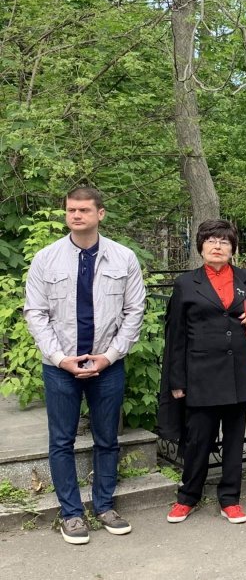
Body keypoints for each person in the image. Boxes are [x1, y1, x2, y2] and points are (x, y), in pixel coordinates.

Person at [24, 186, 145, 545]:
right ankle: (72, 514)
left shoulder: (123, 258)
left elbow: (134, 311)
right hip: (61, 368)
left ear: (100, 214)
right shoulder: (46, 259)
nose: (76, 215)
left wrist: (109, 355)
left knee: (107, 439)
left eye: (84, 210)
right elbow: (35, 313)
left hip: (107, 366)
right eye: (71, 210)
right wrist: (61, 359)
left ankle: (105, 506)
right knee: (61, 441)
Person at [158, 220, 246, 525]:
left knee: (234, 441)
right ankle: (187, 497)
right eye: (211, 241)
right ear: (201, 246)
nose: (217, 246)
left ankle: (230, 498)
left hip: (238, 374)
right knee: (198, 441)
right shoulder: (186, 284)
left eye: (224, 241)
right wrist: (177, 381)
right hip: (201, 376)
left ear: (233, 248)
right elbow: (176, 336)